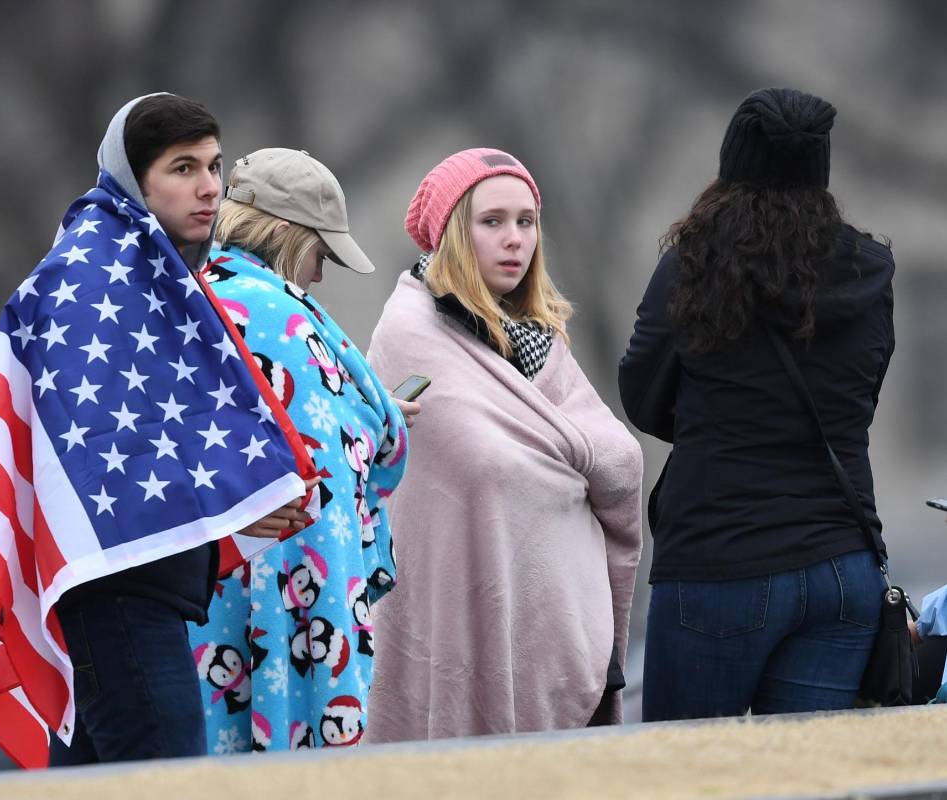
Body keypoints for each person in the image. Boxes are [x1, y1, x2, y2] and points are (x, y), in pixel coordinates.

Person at [0, 94, 320, 767]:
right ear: (131, 178)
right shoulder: (90, 274)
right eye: (182, 168)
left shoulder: (150, 271)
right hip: (115, 588)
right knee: (161, 772)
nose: (208, 188)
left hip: (136, 587)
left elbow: (169, 430)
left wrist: (240, 506)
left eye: (213, 166)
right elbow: (103, 455)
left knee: (103, 776)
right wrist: (231, 495)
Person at [619, 88, 896, 721]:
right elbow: (860, 398)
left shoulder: (692, 267)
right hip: (843, 568)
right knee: (811, 785)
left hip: (719, 565)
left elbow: (642, 392)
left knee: (689, 778)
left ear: (733, 163)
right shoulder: (872, 271)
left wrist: (713, 424)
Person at [364, 148, 644, 741]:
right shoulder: (411, 332)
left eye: (526, 221)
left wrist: (566, 460)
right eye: (491, 222)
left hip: (571, 631)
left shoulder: (541, 336)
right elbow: (491, 468)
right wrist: (574, 467)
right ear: (452, 235)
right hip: (470, 622)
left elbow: (622, 460)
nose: (515, 239)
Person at [186, 148, 410, 752]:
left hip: (214, 590)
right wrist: (371, 419)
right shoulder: (273, 313)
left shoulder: (198, 299)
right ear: (286, 237)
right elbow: (325, 458)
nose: (320, 274)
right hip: (287, 584)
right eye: (320, 252)